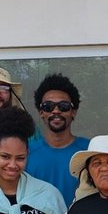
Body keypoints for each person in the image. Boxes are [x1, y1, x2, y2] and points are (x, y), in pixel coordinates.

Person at [24, 73, 88, 206]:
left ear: (73, 111)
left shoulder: (90, 151)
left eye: (63, 106)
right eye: (48, 106)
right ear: (41, 112)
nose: (56, 111)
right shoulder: (26, 153)